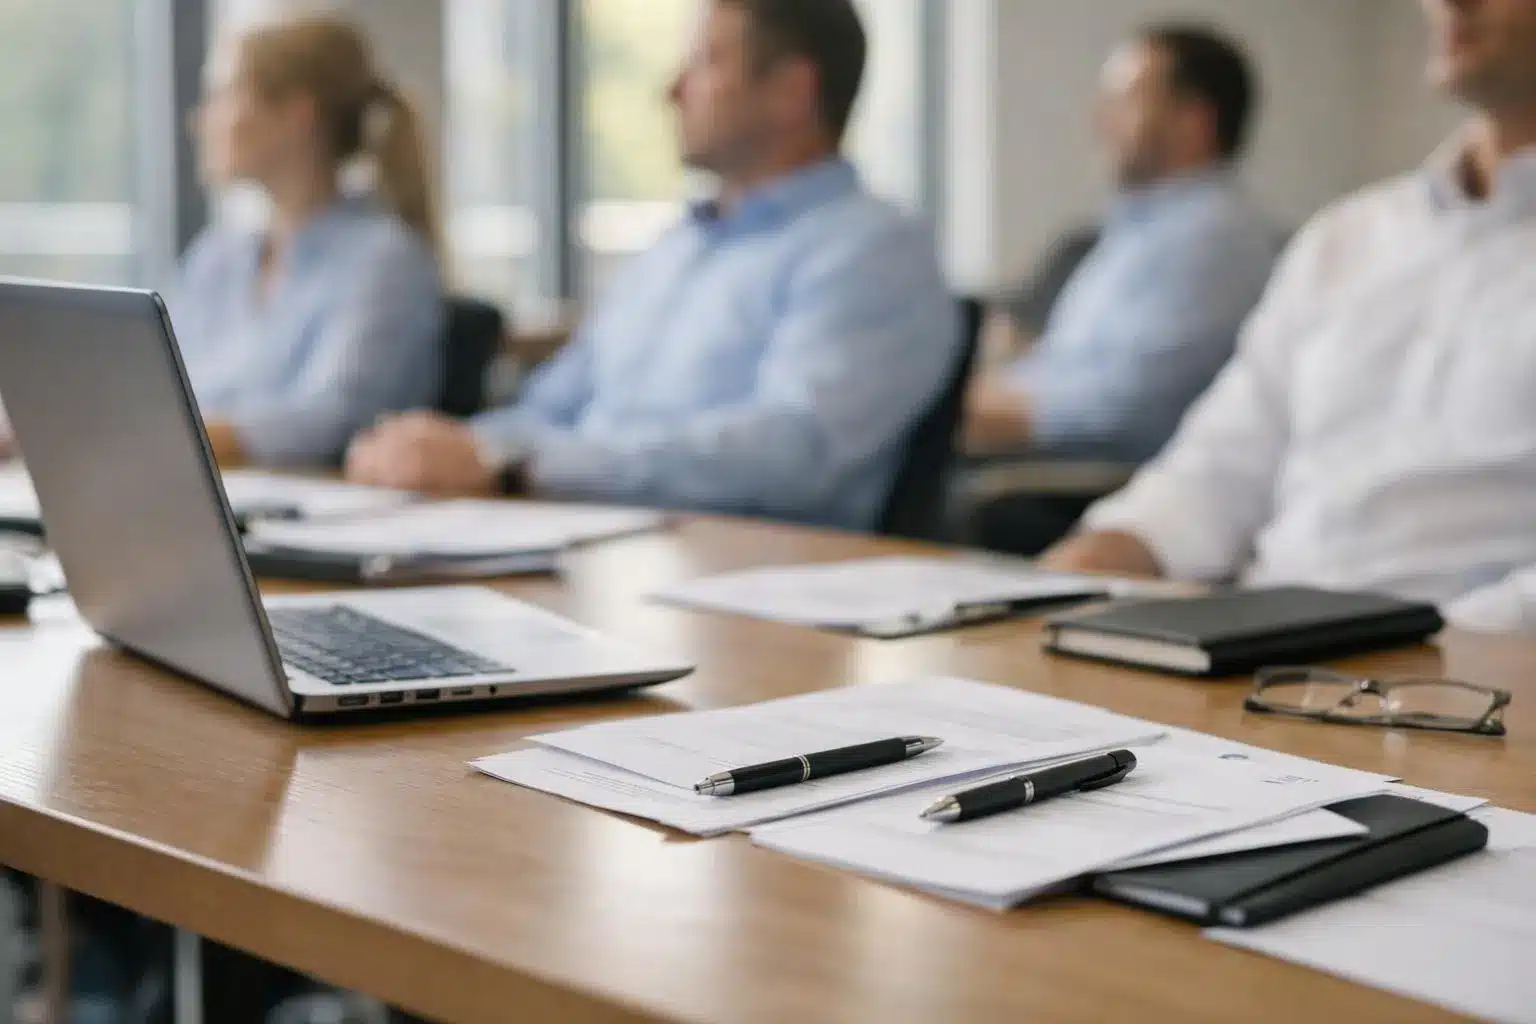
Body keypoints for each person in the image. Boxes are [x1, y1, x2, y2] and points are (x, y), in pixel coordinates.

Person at [346, 0, 958, 531]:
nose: (671, 90)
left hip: (738, 573)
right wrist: (444, 448)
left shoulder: (873, 249)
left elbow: (791, 452)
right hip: (593, 542)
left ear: (792, 91)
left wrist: (519, 464)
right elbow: (553, 405)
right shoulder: (676, 248)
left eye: (707, 62)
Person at [1042, 0, 1536, 635]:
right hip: (1270, 651)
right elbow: (1223, 459)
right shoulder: (1345, 238)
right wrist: (1096, 556)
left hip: (1468, 670)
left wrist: (1422, 646)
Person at [960, 26, 1279, 554]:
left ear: (1194, 120)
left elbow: (1127, 411)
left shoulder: (1214, 239)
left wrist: (961, 413)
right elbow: (1063, 368)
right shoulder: (1133, 231)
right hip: (1031, 458)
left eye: (1126, 99)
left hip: (1086, 487)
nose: (1100, 119)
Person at [169, 16, 444, 468]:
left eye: (225, 95)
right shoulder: (217, 257)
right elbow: (161, 384)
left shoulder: (385, 260)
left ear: (298, 115)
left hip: (305, 493)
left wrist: (176, 437)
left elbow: (335, 418)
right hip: (200, 480)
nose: (201, 120)